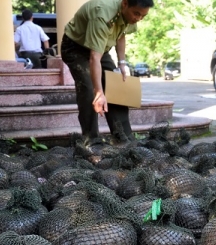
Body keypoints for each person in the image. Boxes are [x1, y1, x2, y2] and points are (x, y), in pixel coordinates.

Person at [61, 0, 153, 141]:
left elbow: (121, 34)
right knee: (88, 88)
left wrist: (122, 63)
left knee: (116, 86)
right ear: (125, 3)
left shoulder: (129, 16)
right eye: (136, 14)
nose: (138, 19)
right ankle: (91, 141)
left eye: (143, 16)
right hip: (75, 47)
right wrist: (99, 92)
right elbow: (94, 57)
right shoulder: (103, 14)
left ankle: (122, 137)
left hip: (100, 49)